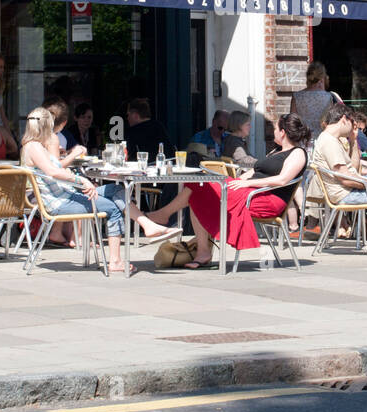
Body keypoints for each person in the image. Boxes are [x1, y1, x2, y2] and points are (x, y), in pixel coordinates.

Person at [20, 107, 178, 273]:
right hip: (59, 202)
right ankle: (115, 261)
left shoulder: (36, 146)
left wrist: (81, 182)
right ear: (46, 125)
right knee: (112, 208)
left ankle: (147, 225)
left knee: (116, 189)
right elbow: (52, 172)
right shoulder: (34, 147)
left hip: (67, 194)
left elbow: (55, 170)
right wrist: (80, 180)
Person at [144, 114, 310, 269]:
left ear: (282, 132)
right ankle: (200, 250)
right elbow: (254, 171)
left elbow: (282, 180)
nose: (272, 132)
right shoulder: (276, 150)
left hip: (266, 199)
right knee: (199, 185)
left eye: (275, 129)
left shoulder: (297, 153)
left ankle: (164, 217)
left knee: (201, 187)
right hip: (252, 191)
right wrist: (238, 182)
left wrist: (246, 186)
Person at [307, 105, 367, 253]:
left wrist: (354, 142)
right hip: (345, 194)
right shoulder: (329, 142)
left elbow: (354, 169)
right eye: (353, 122)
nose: (356, 127)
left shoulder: (332, 139)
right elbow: (346, 179)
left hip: (348, 191)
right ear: (344, 119)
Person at [290, 61, 338, 140]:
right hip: (322, 141)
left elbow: (292, 122)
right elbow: (330, 123)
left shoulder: (297, 96)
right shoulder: (328, 97)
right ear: (322, 76)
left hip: (303, 140)